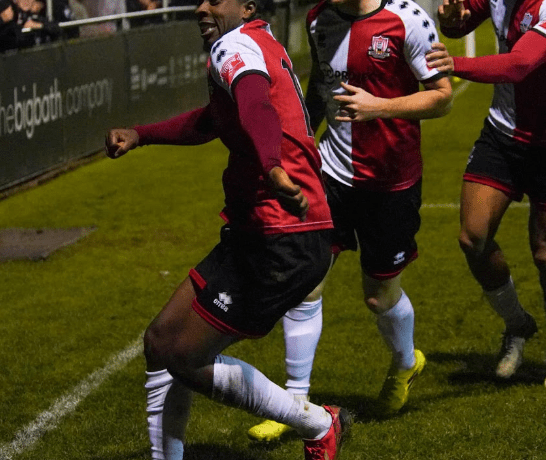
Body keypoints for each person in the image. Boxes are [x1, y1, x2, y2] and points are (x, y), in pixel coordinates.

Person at [104, 0, 352, 458]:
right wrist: (143, 134)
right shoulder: (259, 40)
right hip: (262, 229)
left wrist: (272, 169)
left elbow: (256, 105)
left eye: (216, 0)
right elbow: (216, 119)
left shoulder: (233, 44)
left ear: (246, 7)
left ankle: (318, 423)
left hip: (280, 235)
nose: (202, 8)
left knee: (183, 355)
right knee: (160, 342)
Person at [247, 0, 452, 441]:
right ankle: (294, 403)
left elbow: (442, 97)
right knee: (305, 282)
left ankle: (405, 363)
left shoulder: (408, 19)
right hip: (331, 174)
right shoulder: (319, 18)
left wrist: (380, 108)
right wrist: (296, 146)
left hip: (391, 182)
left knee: (379, 297)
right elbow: (320, 85)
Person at [425, 0, 546, 390]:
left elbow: (519, 64)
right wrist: (450, 22)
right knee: (473, 238)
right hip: (503, 132)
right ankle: (517, 323)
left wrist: (454, 65)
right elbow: (460, 25)